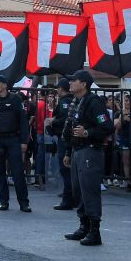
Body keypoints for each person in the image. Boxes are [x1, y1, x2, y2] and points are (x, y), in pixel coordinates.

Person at [62, 70, 110, 246]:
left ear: (84, 84)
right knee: (78, 191)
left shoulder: (93, 102)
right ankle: (84, 226)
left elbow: (107, 126)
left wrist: (88, 132)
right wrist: (68, 152)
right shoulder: (76, 101)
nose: (70, 83)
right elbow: (71, 129)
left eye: (73, 81)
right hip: (77, 150)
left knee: (89, 190)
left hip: (90, 150)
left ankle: (95, 231)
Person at [0, 75, 31, 213]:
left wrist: (23, 141)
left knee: (17, 172)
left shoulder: (15, 99)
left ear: (4, 85)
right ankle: (3, 201)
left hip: (13, 139)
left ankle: (24, 203)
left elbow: (23, 121)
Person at [49, 79, 76, 210]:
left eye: (58, 88)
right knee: (69, 169)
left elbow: (65, 119)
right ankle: (71, 196)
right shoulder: (72, 100)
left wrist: (52, 122)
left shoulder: (65, 101)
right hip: (69, 138)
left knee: (65, 169)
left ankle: (68, 199)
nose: (57, 90)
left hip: (65, 138)